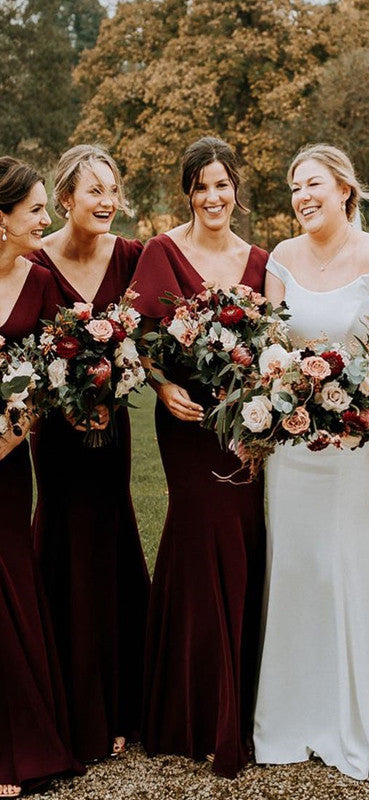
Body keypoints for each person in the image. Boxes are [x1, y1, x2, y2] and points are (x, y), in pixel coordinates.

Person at [253, 144, 369, 785]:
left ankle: (368, 716)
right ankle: (295, 714)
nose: (302, 196)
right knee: (299, 560)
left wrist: (356, 400)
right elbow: (271, 349)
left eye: (314, 184)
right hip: (294, 442)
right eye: (295, 187)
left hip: (362, 442)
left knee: (351, 555)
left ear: (345, 189)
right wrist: (292, 389)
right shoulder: (280, 258)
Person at [131, 137, 267, 778]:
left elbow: (273, 349)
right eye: (201, 186)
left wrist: (260, 417)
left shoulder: (260, 261)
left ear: (236, 188)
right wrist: (162, 386)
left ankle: (238, 704)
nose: (213, 197)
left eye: (222, 184)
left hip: (244, 426)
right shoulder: (161, 251)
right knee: (196, 537)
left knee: (240, 537)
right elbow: (139, 338)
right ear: (187, 192)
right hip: (185, 424)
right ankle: (187, 708)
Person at [29, 145, 150, 762]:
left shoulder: (131, 256)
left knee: (109, 535)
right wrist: (64, 402)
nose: (107, 201)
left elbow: (149, 337)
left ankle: (123, 704)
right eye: (94, 190)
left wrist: (118, 389)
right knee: (62, 539)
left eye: (112, 190)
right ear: (65, 197)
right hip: (54, 432)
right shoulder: (33, 260)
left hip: (112, 429)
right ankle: (66, 704)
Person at [0, 156, 82, 797]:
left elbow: (56, 374)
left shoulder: (43, 282)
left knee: (10, 580)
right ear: (1, 219)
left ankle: (21, 745)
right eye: (34, 209)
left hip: (8, 464)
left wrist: (10, 433)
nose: (45, 218)